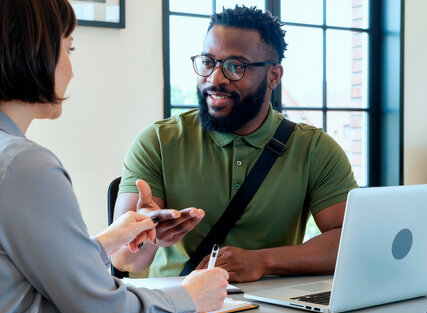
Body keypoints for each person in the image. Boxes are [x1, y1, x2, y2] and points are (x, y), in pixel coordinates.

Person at [0, 1, 229, 313]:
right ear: (35, 52)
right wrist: (190, 296)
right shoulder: (26, 166)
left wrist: (108, 240)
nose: (72, 70)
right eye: (68, 49)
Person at [112, 6, 358, 283]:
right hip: (177, 306)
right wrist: (150, 235)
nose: (215, 79)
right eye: (207, 62)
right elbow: (122, 259)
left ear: (274, 76)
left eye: (235, 66)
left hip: (275, 308)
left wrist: (263, 261)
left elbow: (350, 243)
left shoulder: (315, 148)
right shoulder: (157, 141)